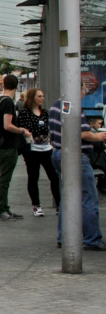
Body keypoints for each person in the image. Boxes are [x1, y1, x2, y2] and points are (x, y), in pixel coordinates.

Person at [49, 97, 106, 251]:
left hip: (58, 153)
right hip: (75, 155)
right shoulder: (72, 106)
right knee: (88, 198)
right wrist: (97, 136)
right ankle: (92, 239)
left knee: (67, 197)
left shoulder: (55, 105)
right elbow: (82, 133)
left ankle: (64, 237)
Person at [0, 74, 31, 220]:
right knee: (5, 178)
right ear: (16, 86)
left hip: (1, 143)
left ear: (4, 84)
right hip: (7, 145)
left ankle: (4, 207)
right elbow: (7, 125)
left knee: (5, 177)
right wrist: (22, 131)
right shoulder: (8, 103)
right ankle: (0, 208)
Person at [17, 88, 58, 217]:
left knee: (54, 176)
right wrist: (38, 129)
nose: (42, 98)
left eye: (43, 96)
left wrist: (39, 129)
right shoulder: (24, 113)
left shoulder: (45, 113)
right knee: (33, 177)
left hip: (46, 148)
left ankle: (59, 204)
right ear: (32, 98)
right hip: (32, 150)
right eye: (39, 96)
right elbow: (27, 128)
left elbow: (48, 128)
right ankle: (36, 205)